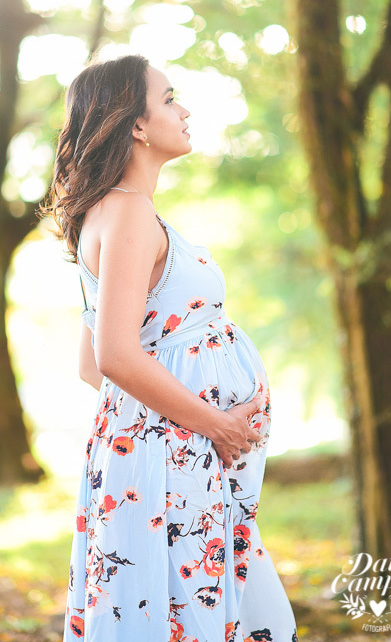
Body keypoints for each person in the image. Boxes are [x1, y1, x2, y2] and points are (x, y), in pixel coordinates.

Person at [43, 53, 299, 642]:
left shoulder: (110, 213)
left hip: (167, 455)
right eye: (169, 99)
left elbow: (92, 365)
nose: (184, 111)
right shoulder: (130, 212)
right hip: (172, 462)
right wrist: (216, 425)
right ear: (136, 124)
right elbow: (112, 358)